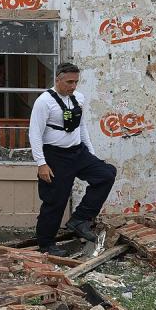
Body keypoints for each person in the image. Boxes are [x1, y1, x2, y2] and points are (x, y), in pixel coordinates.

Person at [28, 62, 116, 256]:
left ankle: (80, 218)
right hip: (55, 155)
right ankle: (46, 244)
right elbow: (34, 133)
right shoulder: (44, 101)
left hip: (78, 152)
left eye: (76, 82)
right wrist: (41, 163)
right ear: (57, 79)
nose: (73, 86)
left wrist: (90, 154)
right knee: (55, 200)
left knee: (106, 174)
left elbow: (81, 127)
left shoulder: (78, 98)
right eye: (69, 82)